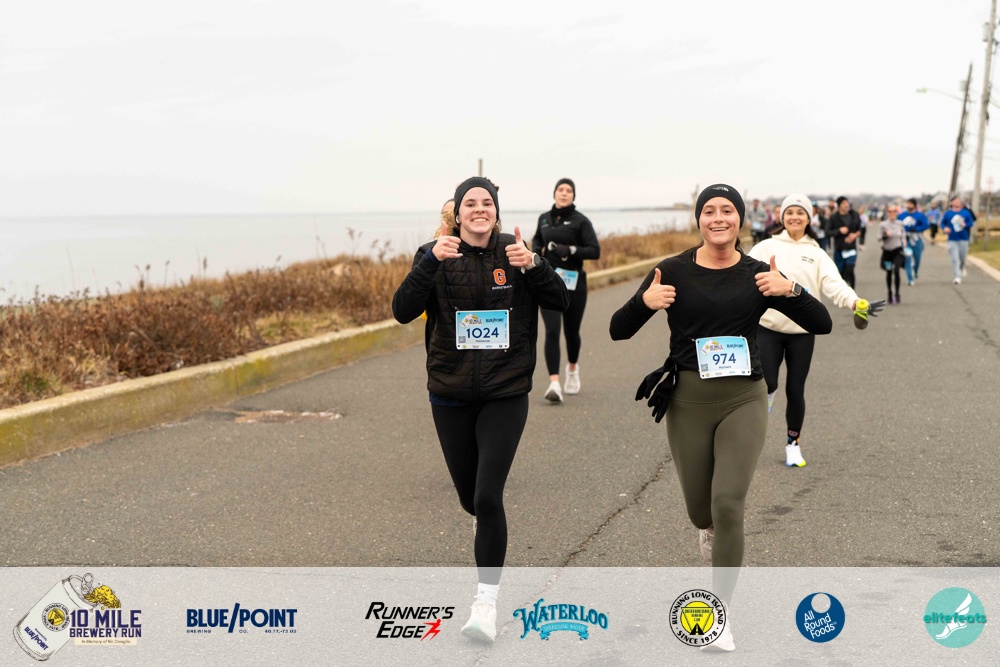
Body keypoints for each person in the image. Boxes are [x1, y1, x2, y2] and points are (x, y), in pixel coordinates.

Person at [610, 184, 832, 652]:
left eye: (727, 210)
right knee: (702, 512)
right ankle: (712, 534)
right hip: (688, 401)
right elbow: (617, 330)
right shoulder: (672, 271)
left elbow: (822, 323)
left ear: (740, 220)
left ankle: (719, 614)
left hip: (743, 398)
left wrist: (790, 289)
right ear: (699, 220)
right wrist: (644, 303)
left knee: (728, 504)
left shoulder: (758, 274)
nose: (718, 218)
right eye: (708, 210)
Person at [391, 177, 569, 643]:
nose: (478, 209)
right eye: (469, 203)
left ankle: (485, 605)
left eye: (486, 203)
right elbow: (402, 310)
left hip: (504, 392)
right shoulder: (433, 253)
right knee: (470, 500)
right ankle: (484, 526)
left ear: (496, 211)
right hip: (449, 392)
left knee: (489, 497)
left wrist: (534, 265)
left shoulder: (515, 252)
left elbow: (561, 301)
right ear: (457, 213)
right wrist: (430, 262)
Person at [748, 194, 882, 468]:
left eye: (800, 213)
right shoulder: (765, 247)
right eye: (789, 212)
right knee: (767, 384)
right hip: (768, 328)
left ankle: (793, 444)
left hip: (802, 331)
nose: (794, 217)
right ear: (782, 217)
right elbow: (742, 275)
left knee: (795, 390)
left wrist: (854, 301)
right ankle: (750, 435)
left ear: (809, 218)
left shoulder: (816, 253)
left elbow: (834, 284)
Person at [531, 178, 601, 402]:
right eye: (560, 189)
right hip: (548, 283)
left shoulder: (581, 221)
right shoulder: (544, 218)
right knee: (552, 331)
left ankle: (572, 368)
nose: (564, 193)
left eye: (568, 190)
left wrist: (570, 250)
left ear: (573, 196)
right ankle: (554, 383)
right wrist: (536, 251)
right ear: (554, 193)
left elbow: (594, 251)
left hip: (574, 283)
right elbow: (537, 239)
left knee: (571, 332)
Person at [829, 196, 863, 288]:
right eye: (844, 203)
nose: (846, 205)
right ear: (839, 205)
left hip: (851, 248)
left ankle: (852, 291)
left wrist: (854, 235)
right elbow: (828, 232)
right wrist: (839, 230)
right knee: (840, 273)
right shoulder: (834, 218)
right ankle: (843, 292)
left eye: (847, 203)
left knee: (850, 269)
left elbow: (860, 230)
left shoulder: (854, 215)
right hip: (839, 249)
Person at [942, 195, 975, 284]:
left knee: (962, 258)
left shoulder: (965, 213)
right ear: (951, 203)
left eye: (958, 200)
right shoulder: (948, 213)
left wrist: (965, 225)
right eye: (955, 200)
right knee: (955, 258)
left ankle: (962, 267)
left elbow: (971, 223)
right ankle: (957, 276)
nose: (957, 202)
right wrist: (945, 228)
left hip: (964, 238)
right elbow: (942, 223)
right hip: (952, 239)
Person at [878, 205, 907, 304]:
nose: (892, 213)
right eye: (890, 212)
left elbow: (903, 234)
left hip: (897, 250)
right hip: (887, 251)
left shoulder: (900, 223)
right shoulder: (883, 225)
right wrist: (885, 235)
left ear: (896, 213)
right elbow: (878, 238)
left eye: (894, 211)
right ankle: (890, 292)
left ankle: (897, 293)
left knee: (897, 271)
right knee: (889, 272)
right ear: (887, 213)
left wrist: (904, 241)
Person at [898, 198, 929, 285]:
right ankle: (910, 279)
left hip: (916, 239)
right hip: (906, 240)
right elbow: (897, 225)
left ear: (914, 205)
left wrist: (917, 229)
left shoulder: (920, 215)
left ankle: (915, 270)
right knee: (908, 258)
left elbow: (926, 225)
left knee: (917, 259)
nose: (909, 205)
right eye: (908, 204)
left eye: (910, 204)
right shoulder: (902, 215)